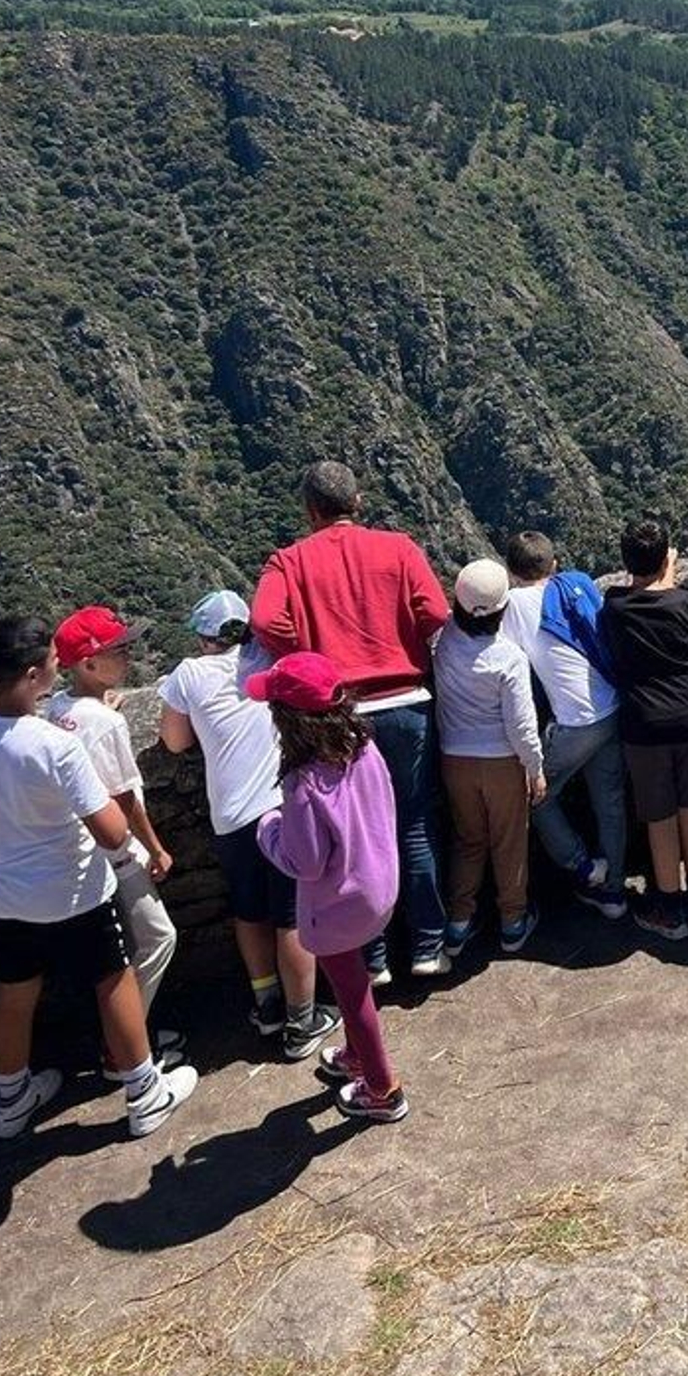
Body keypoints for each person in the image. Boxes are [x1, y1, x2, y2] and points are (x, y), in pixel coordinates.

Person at [0, 616, 197, 1140]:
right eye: (54, 659)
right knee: (113, 981)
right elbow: (110, 830)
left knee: (14, 994)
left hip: (3, 890)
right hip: (72, 887)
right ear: (35, 675)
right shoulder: (54, 745)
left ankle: (10, 1101)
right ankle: (144, 1092)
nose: (59, 663)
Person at [251, 460, 451, 982]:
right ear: (357, 502)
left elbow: (265, 620)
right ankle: (429, 946)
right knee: (412, 824)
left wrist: (309, 658)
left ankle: (374, 958)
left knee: (352, 835)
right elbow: (434, 611)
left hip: (336, 713)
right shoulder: (399, 547)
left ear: (310, 511)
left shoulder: (288, 563)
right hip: (406, 700)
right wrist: (402, 639)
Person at [157, 591, 340, 1060]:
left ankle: (269, 1004)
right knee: (291, 914)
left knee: (250, 911)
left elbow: (174, 742)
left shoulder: (189, 675)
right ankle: (303, 1020)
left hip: (232, 815)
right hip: (282, 807)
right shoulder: (270, 660)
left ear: (204, 638)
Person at [251, 652, 408, 1125]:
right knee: (354, 978)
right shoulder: (365, 746)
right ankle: (357, 1058)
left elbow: (305, 860)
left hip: (337, 903)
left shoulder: (302, 783)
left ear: (287, 720)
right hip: (379, 883)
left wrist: (269, 829)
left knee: (352, 991)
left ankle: (382, 1088)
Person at [47, 606, 185, 1074]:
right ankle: (123, 1048)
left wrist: (99, 706)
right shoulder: (105, 723)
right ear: (87, 664)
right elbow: (125, 798)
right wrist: (158, 848)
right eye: (118, 650)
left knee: (117, 949)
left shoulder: (58, 710)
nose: (129, 656)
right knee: (158, 939)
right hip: (118, 849)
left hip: (79, 853)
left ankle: (125, 1039)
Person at [601, 518, 688, 942]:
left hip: (644, 722)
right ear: (667, 558)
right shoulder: (686, 603)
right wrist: (667, 567)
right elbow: (675, 604)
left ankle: (669, 905)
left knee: (659, 815)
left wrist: (656, 567)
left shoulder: (615, 607)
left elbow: (637, 591)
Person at [501, 532, 628, 921]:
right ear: (553, 564)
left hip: (575, 723)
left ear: (510, 571)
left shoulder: (513, 605)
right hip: (612, 706)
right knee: (609, 802)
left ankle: (583, 868)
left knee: (534, 796)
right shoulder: (580, 584)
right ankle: (614, 893)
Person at [433, 559, 544, 958]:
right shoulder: (508, 657)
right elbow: (521, 725)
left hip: (454, 760)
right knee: (509, 841)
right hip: (500, 760)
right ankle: (513, 922)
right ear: (503, 609)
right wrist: (534, 767)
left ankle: (459, 922)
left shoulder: (442, 641)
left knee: (468, 840)